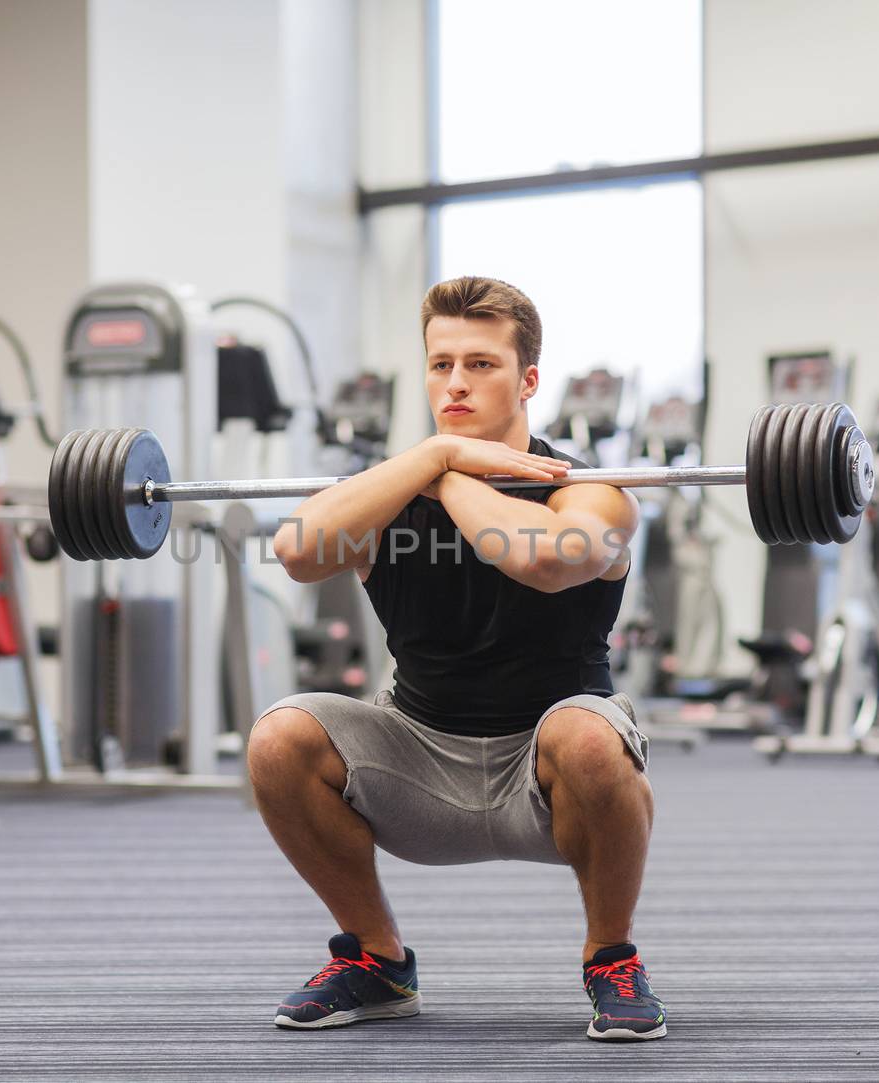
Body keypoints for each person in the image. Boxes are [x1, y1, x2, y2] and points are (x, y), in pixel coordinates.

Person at [252, 276, 663, 1042]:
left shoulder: (593, 492)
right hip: (418, 757)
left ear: (528, 378)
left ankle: (611, 957)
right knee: (280, 736)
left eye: (480, 364)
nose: (456, 383)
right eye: (441, 365)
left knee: (588, 733)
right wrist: (440, 456)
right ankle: (377, 961)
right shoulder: (392, 491)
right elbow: (297, 551)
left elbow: (539, 557)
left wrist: (444, 473)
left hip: (550, 772)